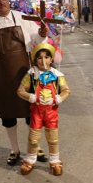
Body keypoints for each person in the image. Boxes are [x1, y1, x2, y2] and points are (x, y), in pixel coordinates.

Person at [0, 0, 48, 166]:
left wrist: (42, 34)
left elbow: (37, 42)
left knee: (32, 114)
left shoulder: (23, 18)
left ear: (8, 0)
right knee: (8, 116)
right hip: (2, 77)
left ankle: (35, 146)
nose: (1, 3)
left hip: (26, 74)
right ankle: (15, 150)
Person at [17, 42, 71, 176]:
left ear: (52, 59)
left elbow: (66, 91)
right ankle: (30, 160)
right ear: (35, 60)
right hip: (36, 112)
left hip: (51, 112)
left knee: (53, 138)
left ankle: (54, 161)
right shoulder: (31, 75)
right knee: (34, 139)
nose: (43, 61)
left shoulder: (58, 75)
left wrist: (58, 98)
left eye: (46, 57)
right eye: (39, 58)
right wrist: (31, 97)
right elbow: (20, 90)